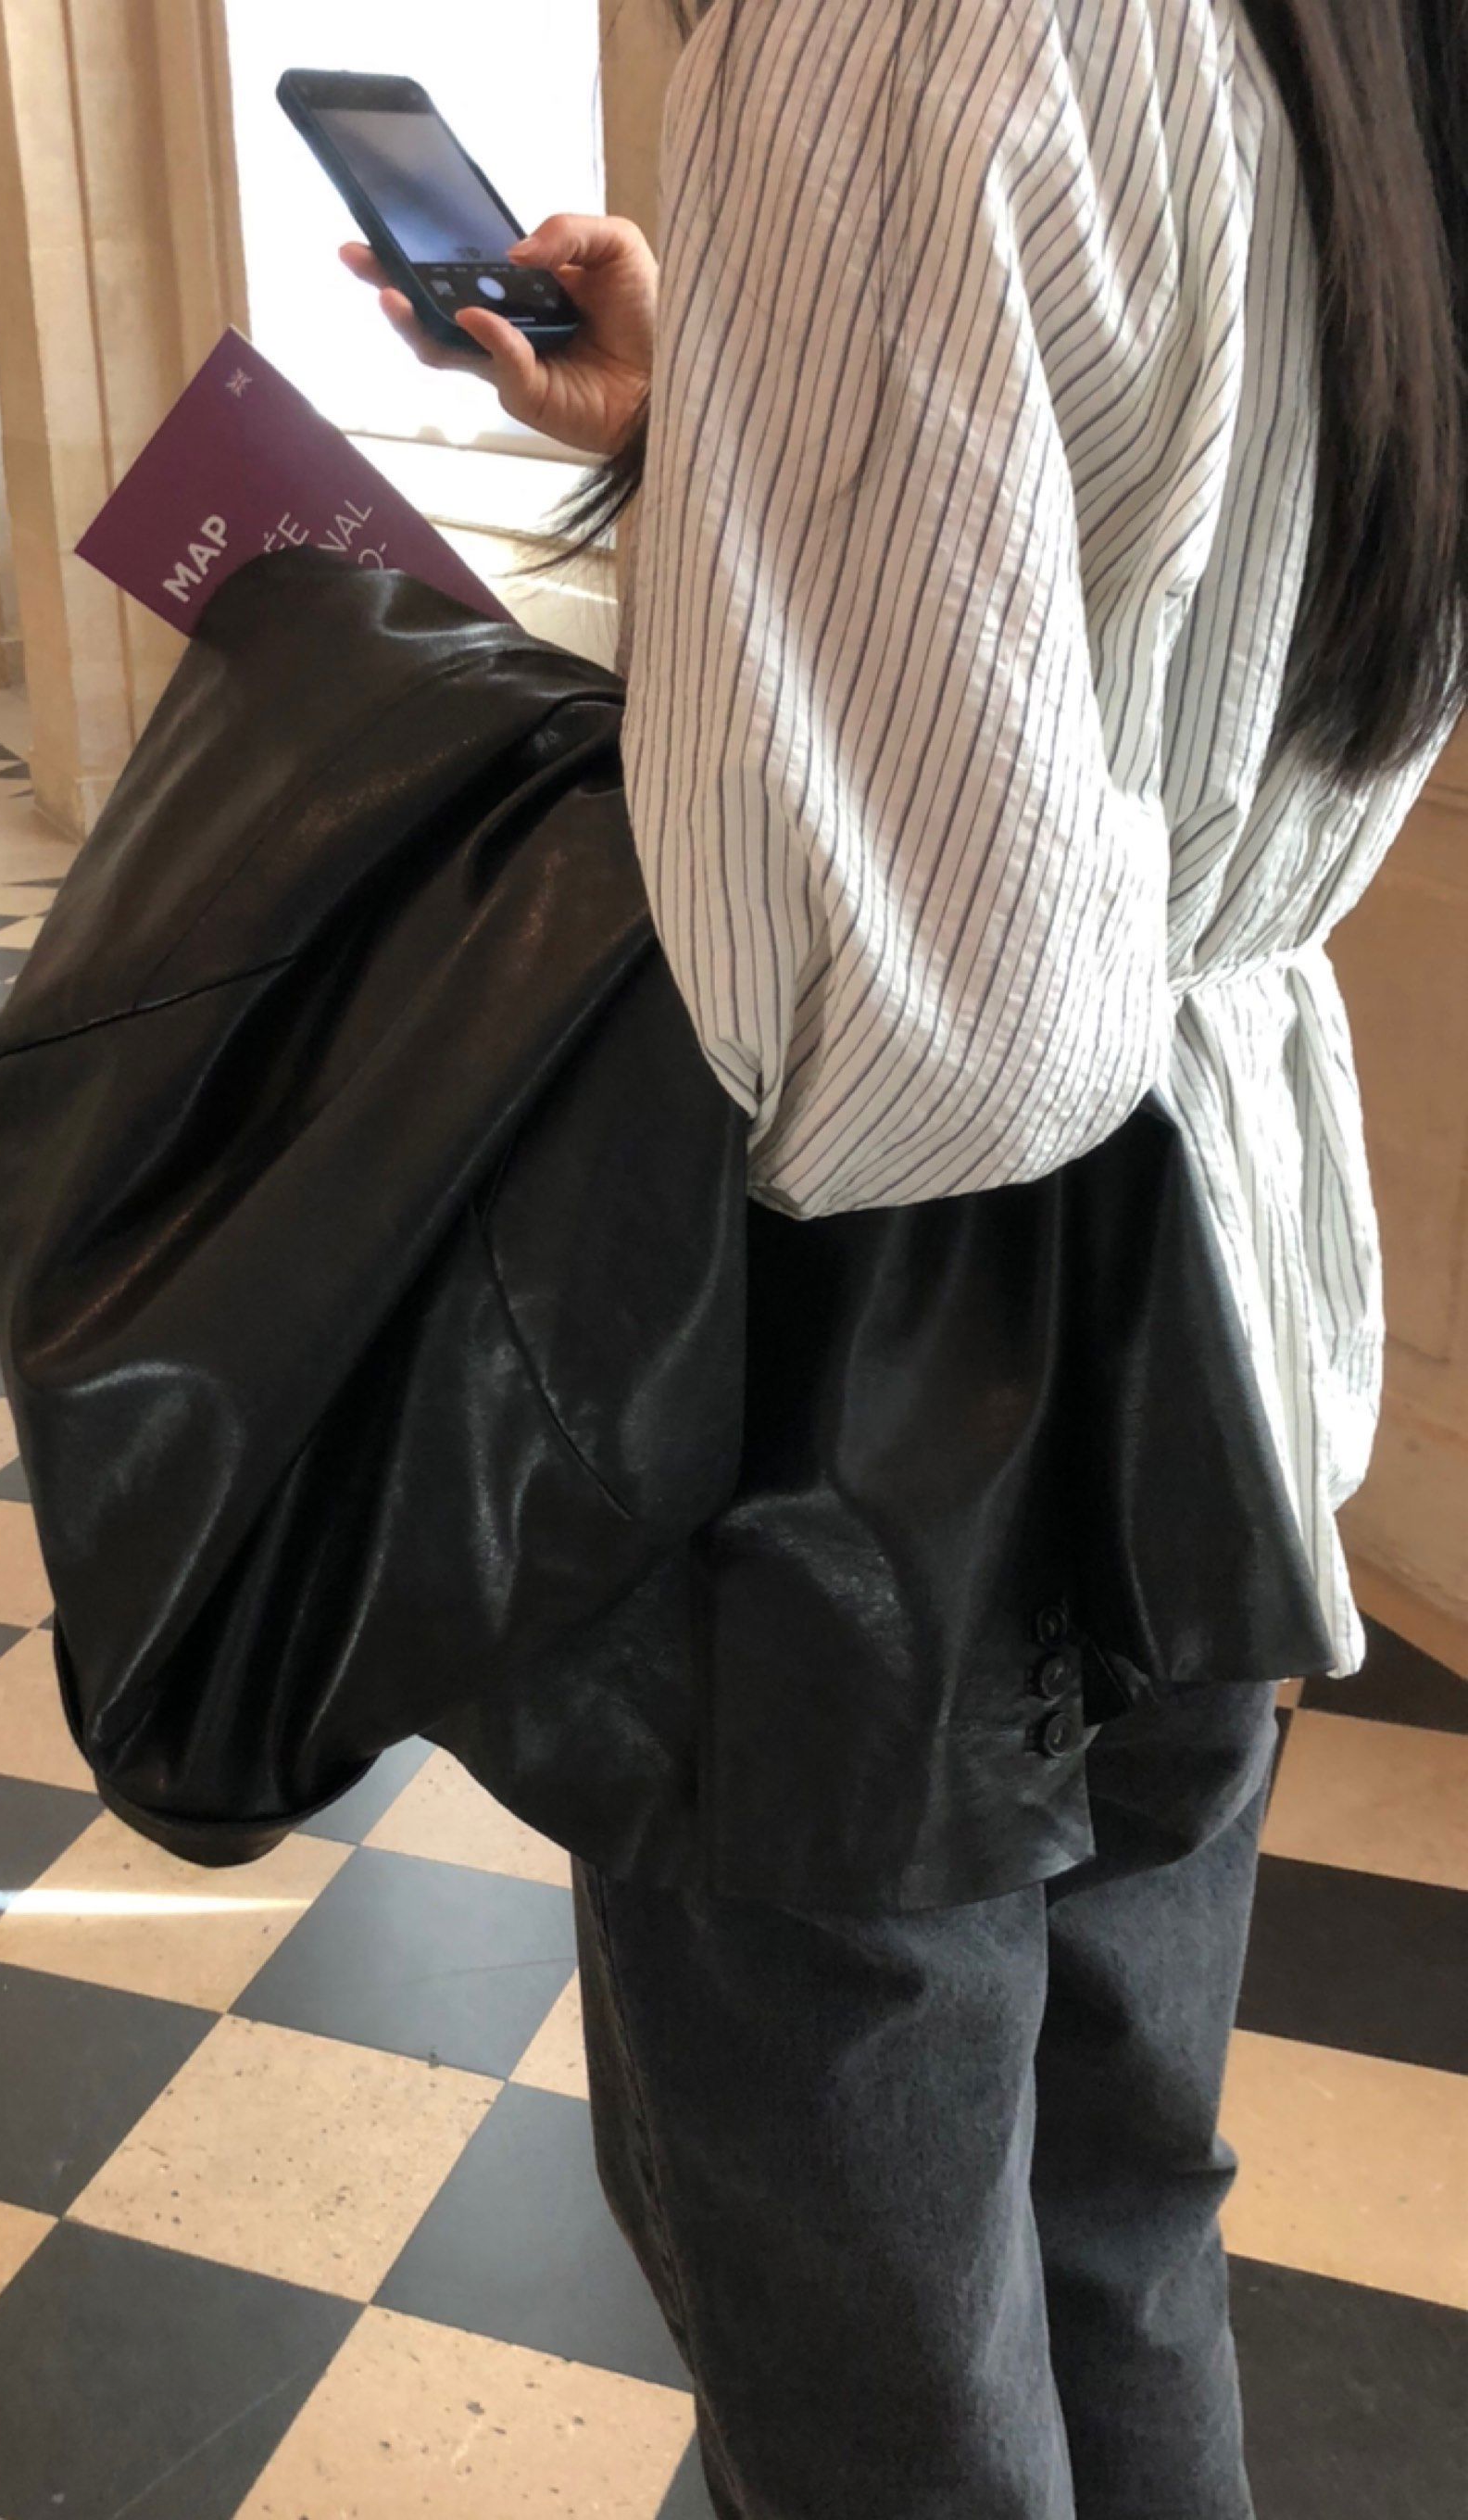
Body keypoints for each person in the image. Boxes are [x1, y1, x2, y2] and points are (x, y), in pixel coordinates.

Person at [343, 4, 1468, 2513]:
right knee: (1117, 2222)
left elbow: (888, 977)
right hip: (1226, 1268)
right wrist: (722, 429)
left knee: (876, 2373)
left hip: (881, 1369)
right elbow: (1160, 584)